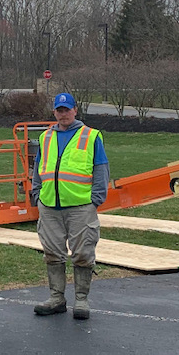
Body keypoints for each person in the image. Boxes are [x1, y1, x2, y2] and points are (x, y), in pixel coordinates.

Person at [30, 91, 109, 320]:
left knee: (83, 252)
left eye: (67, 110)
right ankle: (57, 298)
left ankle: (81, 300)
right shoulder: (46, 137)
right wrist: (38, 195)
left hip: (81, 206)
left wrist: (96, 199)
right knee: (52, 252)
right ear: (54, 112)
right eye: (59, 110)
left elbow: (101, 169)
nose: (63, 114)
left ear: (75, 111)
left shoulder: (91, 136)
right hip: (50, 206)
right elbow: (38, 168)